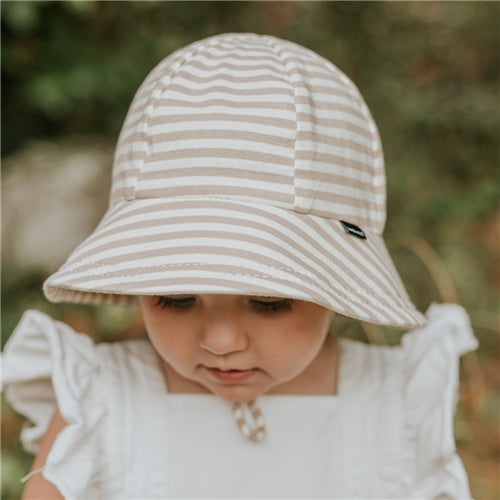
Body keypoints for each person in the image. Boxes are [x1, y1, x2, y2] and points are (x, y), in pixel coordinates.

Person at [2, 33, 477, 499]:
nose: (220, 340)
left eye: (269, 302)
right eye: (176, 298)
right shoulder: (101, 404)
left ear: (334, 286)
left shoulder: (396, 407)